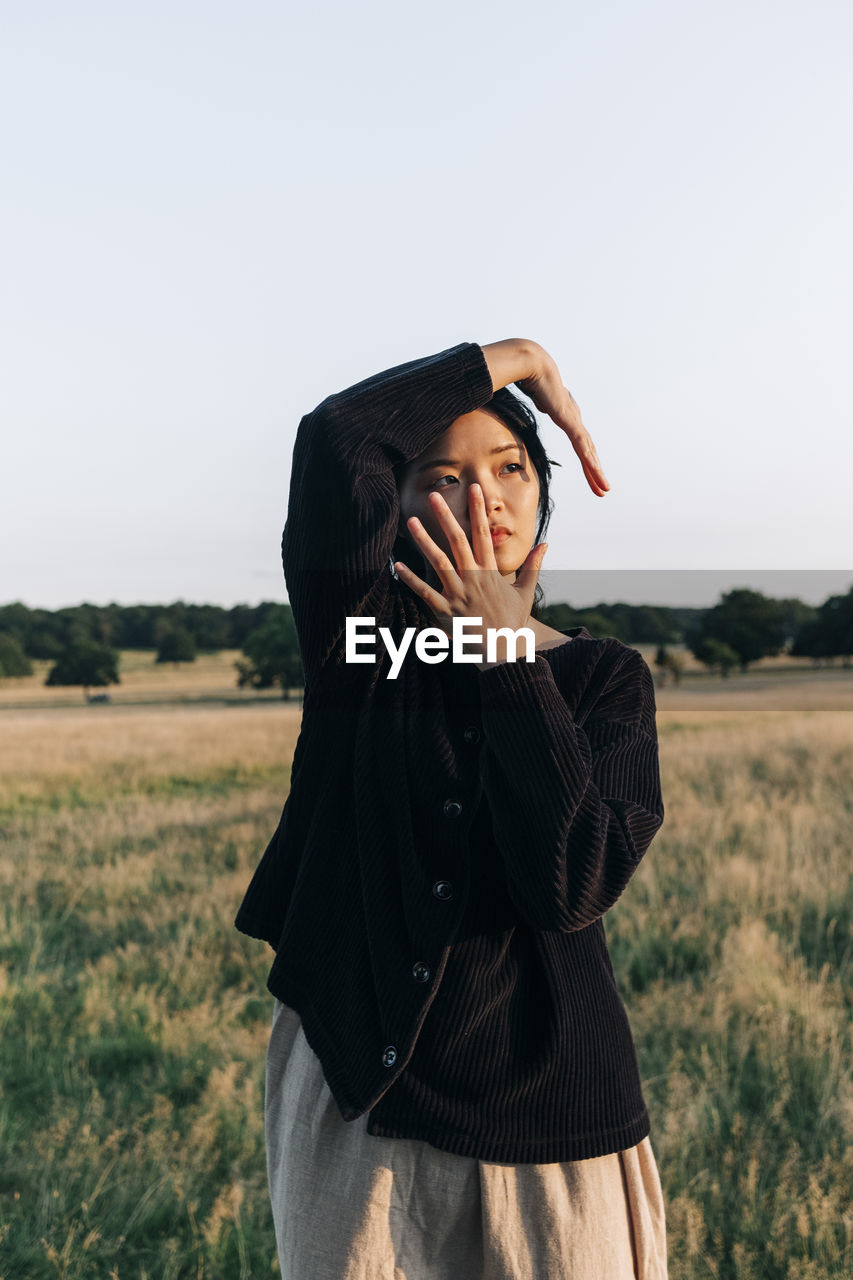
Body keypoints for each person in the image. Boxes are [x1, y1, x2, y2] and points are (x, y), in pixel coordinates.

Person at [234, 338, 668, 1279]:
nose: (486, 496)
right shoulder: (360, 643)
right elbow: (339, 434)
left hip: (549, 1110)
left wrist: (507, 660)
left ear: (538, 490)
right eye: (443, 474)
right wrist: (520, 358)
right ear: (391, 510)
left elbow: (572, 881)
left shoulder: (604, 681)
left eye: (510, 467)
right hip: (362, 1094)